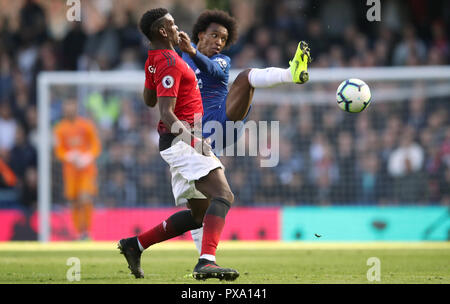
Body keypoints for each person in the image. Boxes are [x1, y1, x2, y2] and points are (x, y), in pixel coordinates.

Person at [118, 8, 239, 281]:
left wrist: (155, 73)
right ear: (162, 31)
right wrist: (196, 142)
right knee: (224, 194)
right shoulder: (170, 61)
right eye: (171, 24)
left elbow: (148, 99)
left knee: (199, 214)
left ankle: (134, 245)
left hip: (175, 141)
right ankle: (206, 262)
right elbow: (165, 113)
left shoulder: (155, 58)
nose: (176, 27)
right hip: (182, 140)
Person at [177, 9, 311, 253]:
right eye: (214, 35)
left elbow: (214, 73)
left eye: (223, 39)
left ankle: (290, 73)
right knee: (197, 207)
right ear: (200, 35)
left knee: (246, 76)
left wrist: (192, 51)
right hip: (199, 136)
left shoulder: (221, 61)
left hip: (221, 121)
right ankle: (203, 260)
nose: (219, 42)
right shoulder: (180, 62)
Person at [53, 99, 101, 240]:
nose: (69, 110)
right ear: (64, 110)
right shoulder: (60, 128)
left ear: (76, 108)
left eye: (71, 106)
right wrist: (68, 156)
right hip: (70, 172)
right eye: (66, 107)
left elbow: (96, 146)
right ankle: (79, 232)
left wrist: (87, 157)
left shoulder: (86, 125)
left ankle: (87, 230)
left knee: (85, 198)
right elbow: (58, 150)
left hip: (86, 170)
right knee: (74, 201)